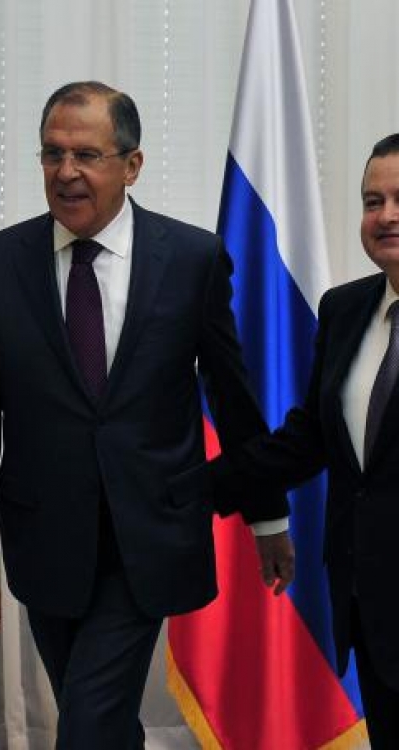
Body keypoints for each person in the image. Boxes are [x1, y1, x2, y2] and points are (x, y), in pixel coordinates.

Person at [0, 81, 293, 750]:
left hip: (151, 534)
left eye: (86, 155)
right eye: (52, 154)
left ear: (132, 165)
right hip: (47, 540)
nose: (65, 172)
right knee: (98, 719)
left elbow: (232, 398)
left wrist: (267, 515)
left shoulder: (191, 259)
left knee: (86, 726)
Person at [222, 133, 399, 749]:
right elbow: (310, 440)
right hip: (368, 604)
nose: (386, 216)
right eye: (372, 201)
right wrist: (198, 486)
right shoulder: (346, 309)